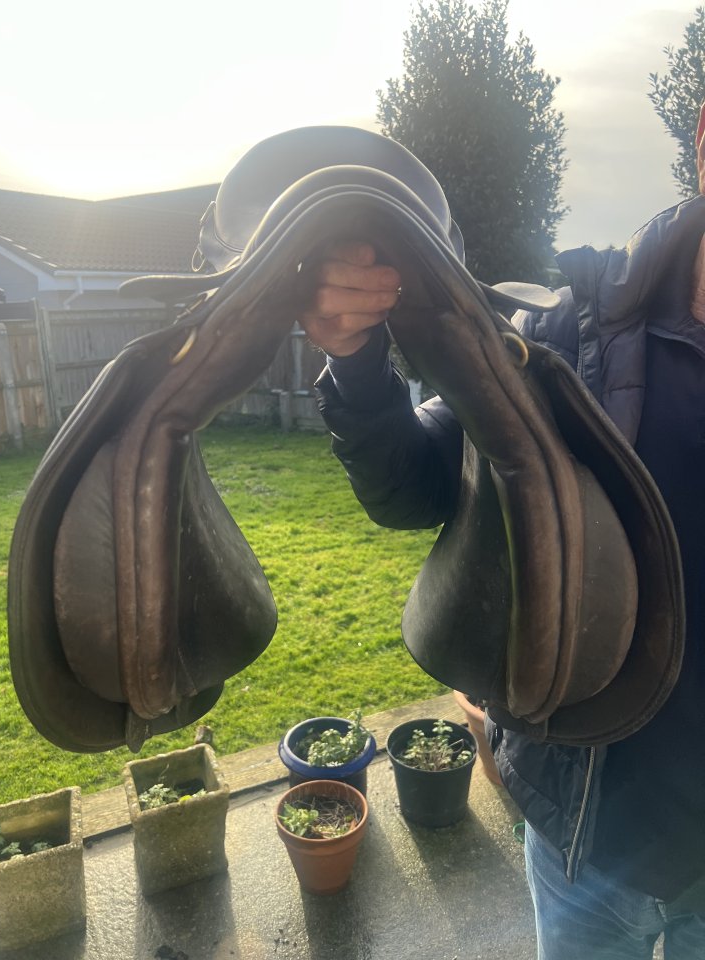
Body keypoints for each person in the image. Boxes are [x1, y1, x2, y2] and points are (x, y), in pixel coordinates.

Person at [297, 109, 705, 959]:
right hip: (586, 845)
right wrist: (357, 361)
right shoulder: (571, 332)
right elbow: (413, 483)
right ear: (704, 135)